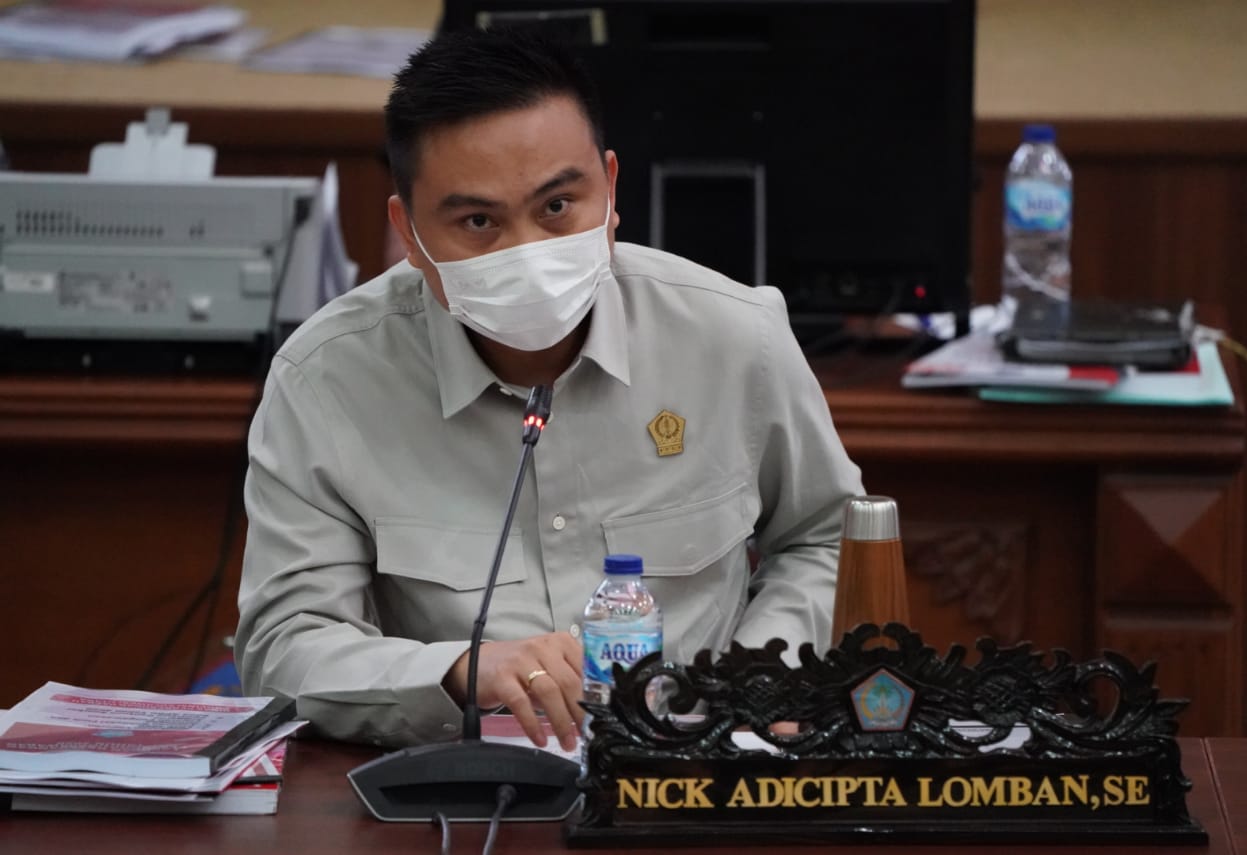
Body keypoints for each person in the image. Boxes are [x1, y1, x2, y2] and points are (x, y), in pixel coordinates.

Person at [234, 28, 864, 753]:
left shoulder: (734, 336)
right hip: (456, 783)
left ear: (611, 188)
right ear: (409, 232)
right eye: (478, 221)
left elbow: (828, 537)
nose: (528, 253)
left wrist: (758, 675)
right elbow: (283, 646)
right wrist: (454, 673)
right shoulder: (326, 378)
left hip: (697, 771)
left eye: (558, 206)